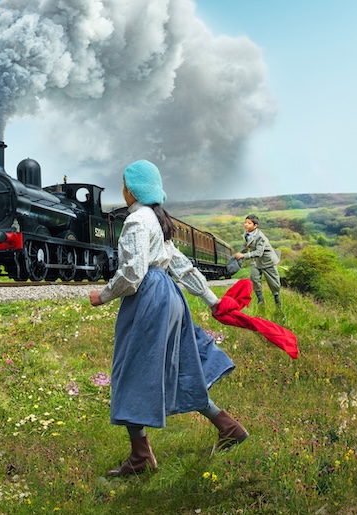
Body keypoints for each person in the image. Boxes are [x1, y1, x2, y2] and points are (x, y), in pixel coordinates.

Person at [89, 159, 248, 477]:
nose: (122, 190)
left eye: (123, 184)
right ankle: (228, 427)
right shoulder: (158, 221)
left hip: (148, 299)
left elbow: (132, 274)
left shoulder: (136, 222)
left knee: (130, 371)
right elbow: (182, 266)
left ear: (132, 190)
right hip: (170, 297)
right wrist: (212, 299)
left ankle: (141, 457)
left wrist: (103, 295)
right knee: (181, 367)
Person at [234, 214, 282, 308]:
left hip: (268, 262)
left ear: (255, 226)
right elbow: (245, 245)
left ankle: (278, 303)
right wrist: (239, 253)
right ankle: (261, 301)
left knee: (274, 283)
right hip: (256, 261)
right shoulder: (246, 233)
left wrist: (244, 255)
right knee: (254, 278)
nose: (246, 225)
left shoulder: (261, 237)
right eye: (245, 222)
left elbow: (259, 252)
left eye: (249, 223)